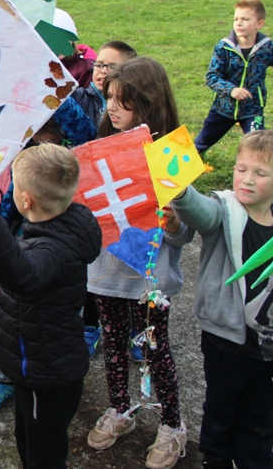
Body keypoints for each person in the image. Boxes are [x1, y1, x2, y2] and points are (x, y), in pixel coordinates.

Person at [169, 130, 273, 469]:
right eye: (241, 169)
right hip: (226, 346)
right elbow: (198, 210)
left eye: (260, 173)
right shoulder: (224, 214)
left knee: (260, 426)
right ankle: (216, 460)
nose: (246, 179)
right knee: (219, 418)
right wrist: (176, 185)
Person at [0, 144, 101, 469]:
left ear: (25, 201)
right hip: (35, 369)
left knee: (43, 456)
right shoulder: (63, 225)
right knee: (29, 441)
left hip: (46, 376)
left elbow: (22, 275)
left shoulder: (51, 250)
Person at [85, 57, 189, 469]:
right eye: (109, 97)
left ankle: (172, 424)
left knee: (154, 349)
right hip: (106, 272)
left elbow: (185, 233)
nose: (112, 107)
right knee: (111, 343)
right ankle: (121, 410)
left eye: (123, 102)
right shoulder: (99, 149)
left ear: (148, 103)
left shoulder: (172, 153)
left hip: (149, 277)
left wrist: (175, 222)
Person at [194, 0, 273, 156]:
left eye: (245, 19)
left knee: (257, 148)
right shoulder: (224, 47)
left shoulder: (268, 48)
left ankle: (252, 173)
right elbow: (212, 76)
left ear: (259, 24)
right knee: (201, 143)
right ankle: (193, 161)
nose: (239, 23)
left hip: (253, 110)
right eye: (236, 19)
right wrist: (231, 90)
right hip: (223, 108)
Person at [71, 41, 138, 148]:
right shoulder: (77, 97)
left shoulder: (131, 104)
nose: (103, 71)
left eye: (112, 67)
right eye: (99, 65)